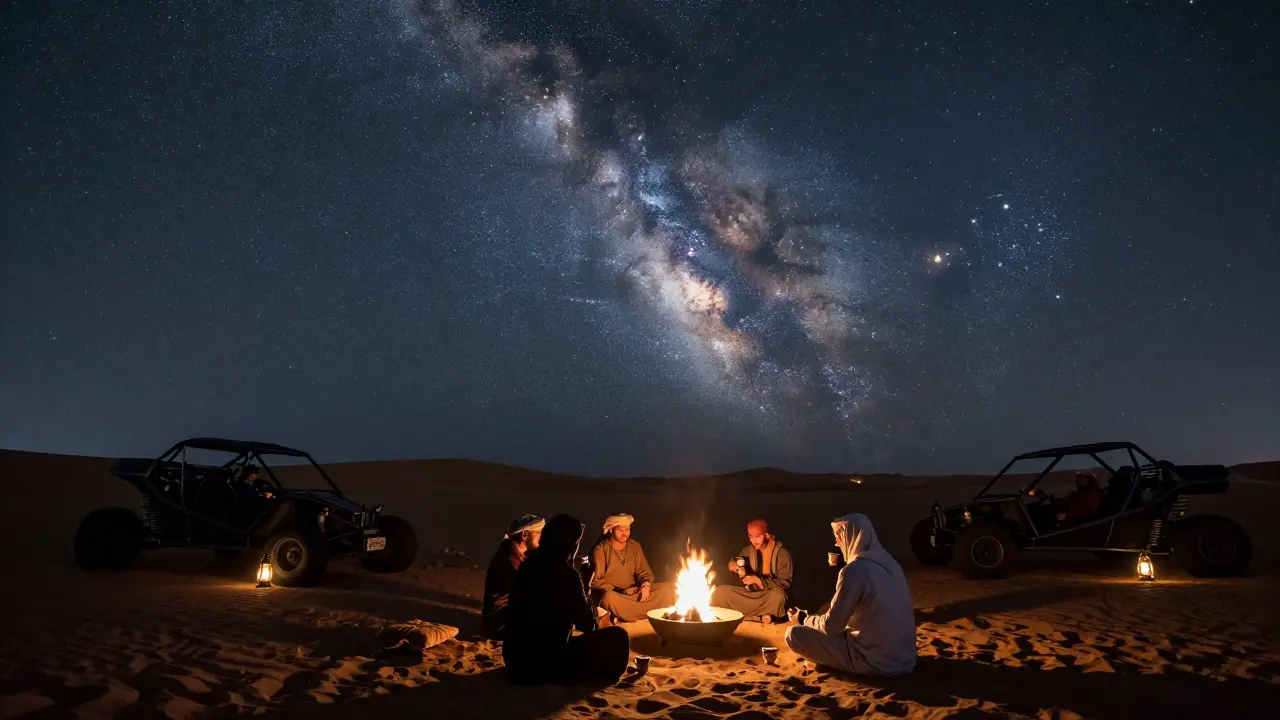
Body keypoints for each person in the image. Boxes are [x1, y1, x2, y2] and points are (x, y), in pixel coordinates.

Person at [502, 514, 631, 686]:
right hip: (546, 662)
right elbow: (586, 625)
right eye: (575, 542)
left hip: (515, 660)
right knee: (619, 636)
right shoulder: (566, 574)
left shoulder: (526, 566)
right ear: (569, 544)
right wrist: (585, 585)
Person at [784, 512, 916, 676]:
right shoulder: (890, 563)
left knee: (793, 634)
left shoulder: (853, 571)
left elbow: (831, 626)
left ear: (851, 537)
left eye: (838, 536)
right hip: (905, 659)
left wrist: (803, 618)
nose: (836, 543)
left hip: (875, 661)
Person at [588, 513, 676, 623]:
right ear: (611, 530)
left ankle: (624, 614)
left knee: (671, 587)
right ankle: (641, 612)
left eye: (627, 529)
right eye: (620, 530)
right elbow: (595, 581)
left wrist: (645, 585)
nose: (625, 533)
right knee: (608, 599)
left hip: (635, 593)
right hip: (618, 596)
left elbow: (644, 572)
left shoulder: (634, 546)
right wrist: (620, 591)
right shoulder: (600, 550)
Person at [710, 518, 793, 623]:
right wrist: (735, 565)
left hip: (768, 596)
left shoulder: (782, 554)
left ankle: (754, 617)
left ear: (767, 535)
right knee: (720, 592)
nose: (754, 541)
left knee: (779, 596)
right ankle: (760, 618)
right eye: (751, 537)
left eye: (758, 537)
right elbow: (739, 561)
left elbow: (785, 583)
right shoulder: (748, 550)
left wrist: (759, 581)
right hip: (750, 595)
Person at [482, 513, 545, 640]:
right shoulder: (509, 560)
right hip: (500, 623)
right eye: (539, 532)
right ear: (524, 535)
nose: (541, 536)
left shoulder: (515, 554)